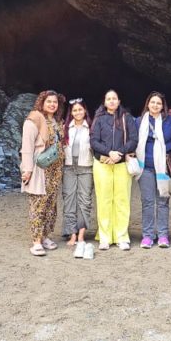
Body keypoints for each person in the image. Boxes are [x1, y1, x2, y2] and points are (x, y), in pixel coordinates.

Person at [90, 89, 137, 250]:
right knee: (104, 200)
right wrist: (108, 152)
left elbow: (133, 140)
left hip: (122, 164)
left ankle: (121, 236)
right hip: (103, 164)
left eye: (114, 98)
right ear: (104, 102)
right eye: (108, 99)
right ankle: (104, 236)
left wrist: (120, 153)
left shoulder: (126, 118)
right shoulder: (99, 119)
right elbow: (94, 140)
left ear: (119, 101)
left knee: (122, 200)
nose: (111, 101)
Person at [20, 90, 65, 256]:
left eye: (55, 102)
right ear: (42, 102)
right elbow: (27, 147)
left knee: (51, 204)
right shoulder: (34, 120)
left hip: (55, 169)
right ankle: (36, 241)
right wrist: (27, 169)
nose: (52, 104)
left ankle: (46, 236)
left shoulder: (57, 121)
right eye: (49, 101)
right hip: (41, 168)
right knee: (38, 204)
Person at [135, 91, 171, 249]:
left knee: (163, 201)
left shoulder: (170, 121)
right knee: (147, 202)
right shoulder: (139, 121)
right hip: (144, 167)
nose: (155, 105)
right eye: (153, 102)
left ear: (163, 106)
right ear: (148, 104)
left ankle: (163, 234)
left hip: (162, 167)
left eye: (158, 103)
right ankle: (147, 235)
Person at [62, 97, 95, 259]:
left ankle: (81, 234)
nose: (77, 113)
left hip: (86, 168)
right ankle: (71, 233)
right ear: (71, 112)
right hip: (69, 168)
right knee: (69, 199)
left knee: (84, 201)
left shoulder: (91, 128)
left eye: (80, 109)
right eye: (74, 110)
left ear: (85, 111)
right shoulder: (65, 128)